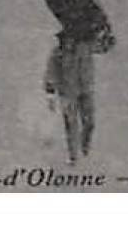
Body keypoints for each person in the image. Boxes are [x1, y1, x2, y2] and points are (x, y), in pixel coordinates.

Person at [44, 30, 95, 164]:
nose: (69, 43)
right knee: (71, 124)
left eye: (72, 40)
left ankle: (85, 145)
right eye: (66, 40)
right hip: (67, 93)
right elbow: (51, 73)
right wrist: (50, 93)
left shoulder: (85, 49)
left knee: (89, 122)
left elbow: (103, 46)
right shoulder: (57, 54)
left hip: (85, 90)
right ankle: (73, 155)